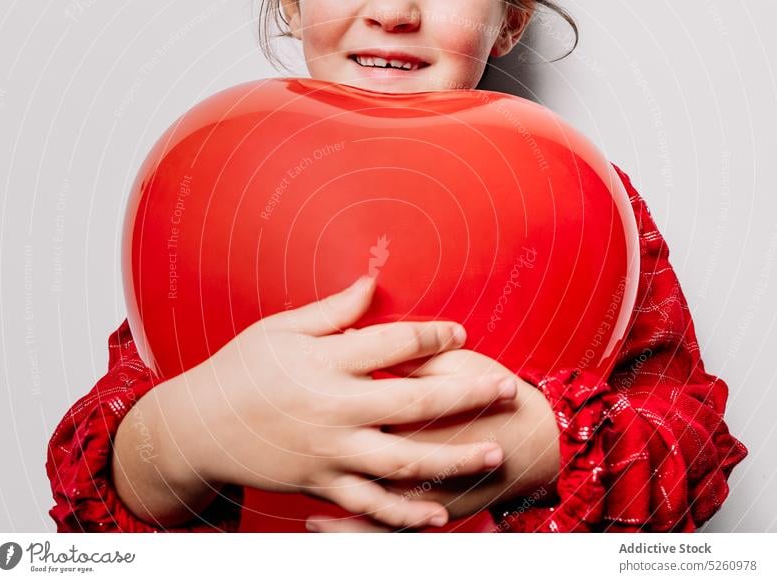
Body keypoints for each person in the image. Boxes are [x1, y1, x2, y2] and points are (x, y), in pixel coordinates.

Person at [46, 0, 748, 534]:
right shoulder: (225, 182)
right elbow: (94, 487)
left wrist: (537, 447)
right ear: (289, 2)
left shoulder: (579, 195)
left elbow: (690, 452)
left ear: (510, 19)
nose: (393, 12)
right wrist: (191, 436)